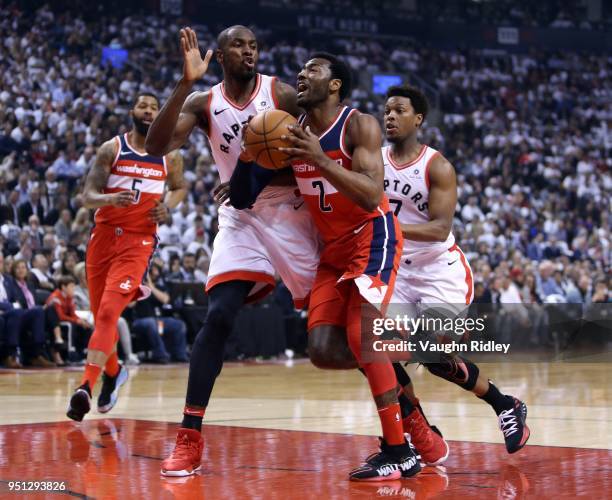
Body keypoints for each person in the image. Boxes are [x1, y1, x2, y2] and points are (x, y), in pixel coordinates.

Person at [145, 26, 320, 477]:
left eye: (254, 45)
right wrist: (184, 83)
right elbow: (155, 146)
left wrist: (257, 177)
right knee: (219, 315)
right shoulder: (203, 103)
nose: (249, 51)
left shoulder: (281, 93)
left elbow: (320, 154)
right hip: (240, 218)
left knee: (337, 328)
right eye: (239, 45)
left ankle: (408, 420)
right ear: (219, 55)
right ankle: (189, 436)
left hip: (292, 212)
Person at [275, 53, 419, 481]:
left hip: (372, 235)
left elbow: (373, 194)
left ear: (335, 84)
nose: (301, 75)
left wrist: (321, 159)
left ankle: (398, 449)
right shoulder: (290, 131)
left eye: (312, 70)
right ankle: (404, 357)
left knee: (364, 336)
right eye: (300, 70)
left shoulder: (360, 125)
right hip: (332, 249)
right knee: (322, 351)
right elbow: (286, 177)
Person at [381, 85, 530, 454]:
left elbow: (438, 228)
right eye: (386, 110)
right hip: (395, 270)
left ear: (418, 119)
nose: (390, 116)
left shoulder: (437, 166)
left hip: (438, 271)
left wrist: (388, 226)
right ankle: (419, 430)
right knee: (374, 350)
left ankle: (504, 404)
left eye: (399, 110)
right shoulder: (374, 159)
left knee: (432, 357)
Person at [65, 92, 187, 421]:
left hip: (138, 242)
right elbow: (87, 196)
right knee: (99, 316)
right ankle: (114, 371)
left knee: (107, 314)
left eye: (153, 107)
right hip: (102, 240)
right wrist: (109, 199)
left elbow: (179, 188)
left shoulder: (170, 155)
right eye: (143, 105)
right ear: (132, 111)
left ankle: (85, 387)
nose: (148, 111)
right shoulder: (111, 148)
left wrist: (168, 208)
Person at [0, 253, 53, 368]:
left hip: (15, 312)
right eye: (18, 268)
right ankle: (10, 356)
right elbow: (15, 301)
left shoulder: (7, 280)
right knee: (19, 312)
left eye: (1, 262)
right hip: (10, 312)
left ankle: (37, 355)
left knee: (39, 311)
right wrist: (11, 306)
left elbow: (17, 300)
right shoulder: (12, 281)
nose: (21, 270)